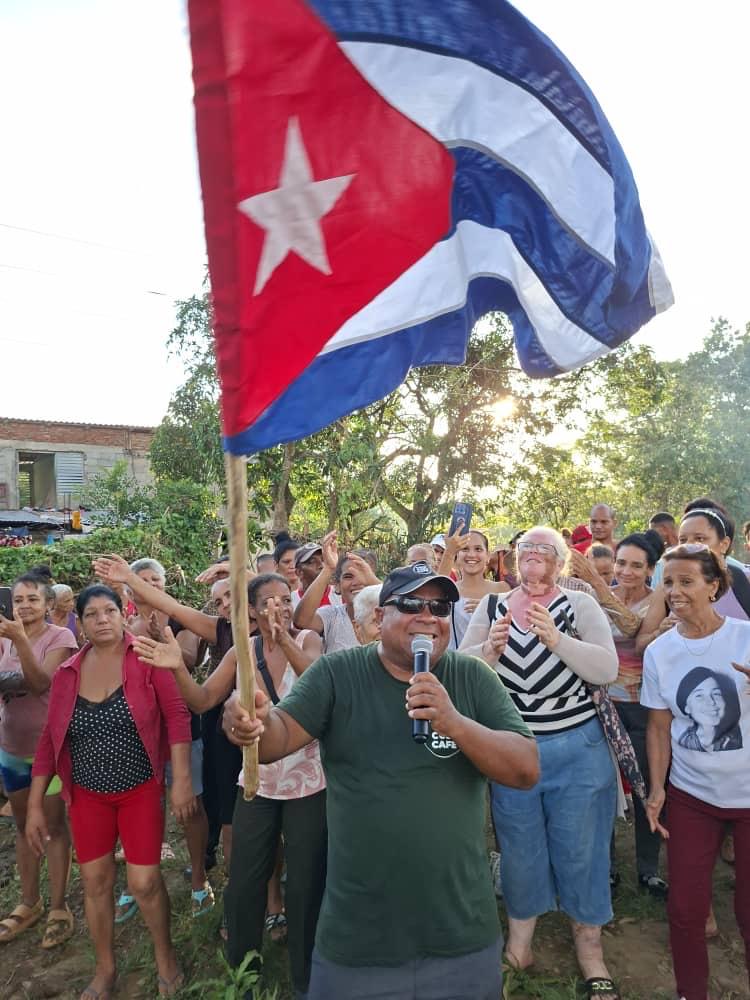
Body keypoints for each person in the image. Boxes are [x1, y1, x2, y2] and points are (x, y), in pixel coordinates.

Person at [224, 562, 538, 1000]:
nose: (428, 615)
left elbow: (525, 769)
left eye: (440, 606)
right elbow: (278, 736)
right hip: (358, 938)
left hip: (460, 933)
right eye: (411, 603)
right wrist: (250, 723)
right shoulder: (338, 674)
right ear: (377, 618)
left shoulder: (472, 677)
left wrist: (455, 723)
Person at [134, 573, 326, 1000]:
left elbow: (317, 687)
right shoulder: (244, 650)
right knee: (243, 877)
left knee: (306, 880)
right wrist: (174, 668)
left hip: (309, 781)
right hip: (257, 779)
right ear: (253, 612)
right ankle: (243, 970)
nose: (279, 606)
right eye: (269, 602)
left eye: (285, 598)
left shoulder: (309, 640)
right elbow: (202, 700)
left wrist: (286, 639)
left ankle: (307, 976)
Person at [460, 528, 621, 998]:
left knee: (581, 846)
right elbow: (461, 669)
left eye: (543, 555)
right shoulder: (492, 607)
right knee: (518, 843)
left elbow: (607, 670)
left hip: (578, 748)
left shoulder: (580, 606)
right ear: (512, 561)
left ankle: (589, 947)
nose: (533, 564)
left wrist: (559, 642)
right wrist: (488, 650)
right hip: (514, 748)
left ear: (560, 562)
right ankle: (520, 943)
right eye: (525, 555)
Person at [26, 584, 195, 999]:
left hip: (139, 789)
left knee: (145, 883)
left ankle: (165, 956)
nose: (102, 619)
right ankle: (104, 969)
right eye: (92, 614)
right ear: (80, 624)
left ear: (124, 614)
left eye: (110, 611)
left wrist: (182, 782)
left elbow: (176, 717)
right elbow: (49, 739)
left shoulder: (147, 658)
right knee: (95, 882)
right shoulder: (68, 673)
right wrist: (33, 805)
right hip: (86, 795)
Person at [641, 545, 750, 1000]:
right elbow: (659, 728)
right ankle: (692, 993)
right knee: (685, 909)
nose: (676, 592)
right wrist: (656, 791)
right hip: (692, 797)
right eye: (668, 582)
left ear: (714, 586)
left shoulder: (746, 636)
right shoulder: (660, 652)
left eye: (687, 582)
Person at [125, 558, 212, 917]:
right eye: (143, 580)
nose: (151, 585)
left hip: (182, 725)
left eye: (156, 580)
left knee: (190, 806)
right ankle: (140, 880)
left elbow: (189, 659)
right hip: (139, 731)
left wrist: (162, 635)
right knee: (140, 807)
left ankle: (198, 879)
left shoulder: (182, 621)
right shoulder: (122, 625)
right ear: (131, 588)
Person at [0, 574, 77, 949]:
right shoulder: (3, 639)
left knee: (52, 826)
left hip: (50, 749)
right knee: (20, 825)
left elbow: (40, 682)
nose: (24, 606)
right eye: (18, 599)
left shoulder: (60, 638)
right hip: (11, 746)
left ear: (49, 604)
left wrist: (16, 640)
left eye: (32, 599)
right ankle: (29, 901)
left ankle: (60, 906)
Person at [603, 532, 667, 896]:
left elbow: (640, 638)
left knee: (647, 787)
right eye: (621, 562)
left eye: (636, 565)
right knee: (604, 788)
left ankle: (648, 868)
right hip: (602, 705)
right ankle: (608, 866)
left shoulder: (658, 600)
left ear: (650, 570)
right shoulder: (599, 597)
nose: (626, 571)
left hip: (644, 706)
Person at [293, 531, 380, 653]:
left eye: (364, 574)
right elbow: (301, 621)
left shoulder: (388, 615)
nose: (357, 582)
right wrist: (328, 568)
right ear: (337, 586)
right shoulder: (332, 616)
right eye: (348, 576)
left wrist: (372, 582)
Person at [437, 526, 509, 648]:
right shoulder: (449, 590)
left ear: (487, 556)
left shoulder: (502, 589)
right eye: (465, 549)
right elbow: (435, 593)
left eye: (478, 549)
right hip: (456, 663)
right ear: (457, 556)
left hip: (492, 662)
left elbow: (513, 628)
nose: (471, 554)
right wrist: (449, 551)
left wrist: (490, 611)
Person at [292, 542, 341, 610]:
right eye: (312, 562)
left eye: (323, 560)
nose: (321, 565)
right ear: (299, 572)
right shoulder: (291, 601)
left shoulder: (340, 597)